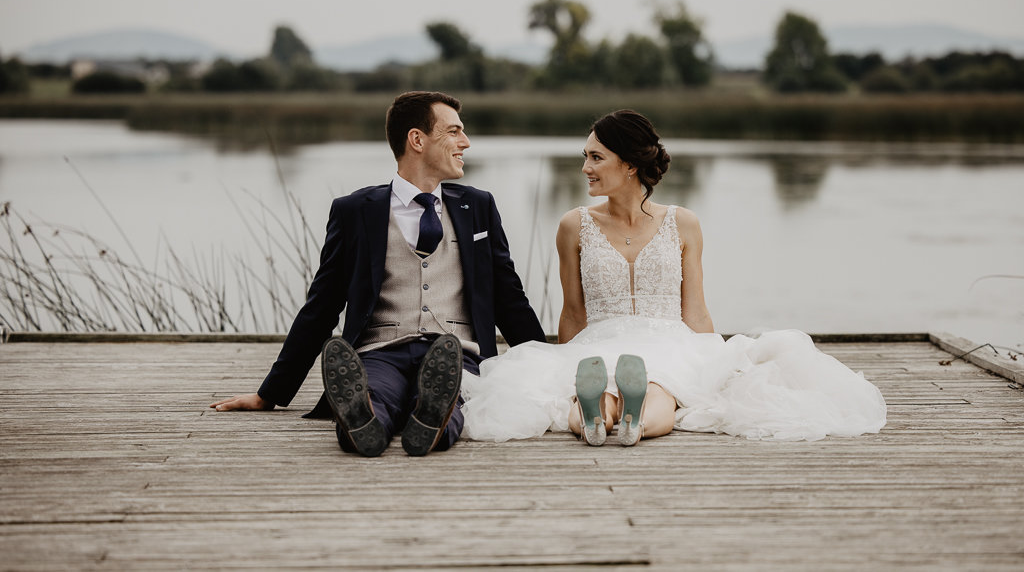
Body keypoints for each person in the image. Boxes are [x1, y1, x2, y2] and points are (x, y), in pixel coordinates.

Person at [460, 109, 886, 445]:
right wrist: (565, 360)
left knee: (626, 386)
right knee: (655, 392)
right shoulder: (575, 225)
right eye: (585, 157)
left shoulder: (682, 224)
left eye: (595, 157)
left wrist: (718, 364)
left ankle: (600, 416)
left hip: (650, 341)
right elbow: (577, 311)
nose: (585, 168)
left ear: (628, 165)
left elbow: (690, 307)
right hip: (622, 343)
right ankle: (628, 420)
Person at [211, 91, 546, 456]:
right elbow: (322, 305)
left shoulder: (477, 206)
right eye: (453, 132)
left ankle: (433, 419)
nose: (465, 142)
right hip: (380, 351)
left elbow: (510, 300)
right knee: (372, 394)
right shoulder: (355, 211)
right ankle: (364, 421)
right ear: (417, 140)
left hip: (455, 352)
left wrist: (549, 375)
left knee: (450, 393)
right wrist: (270, 393)